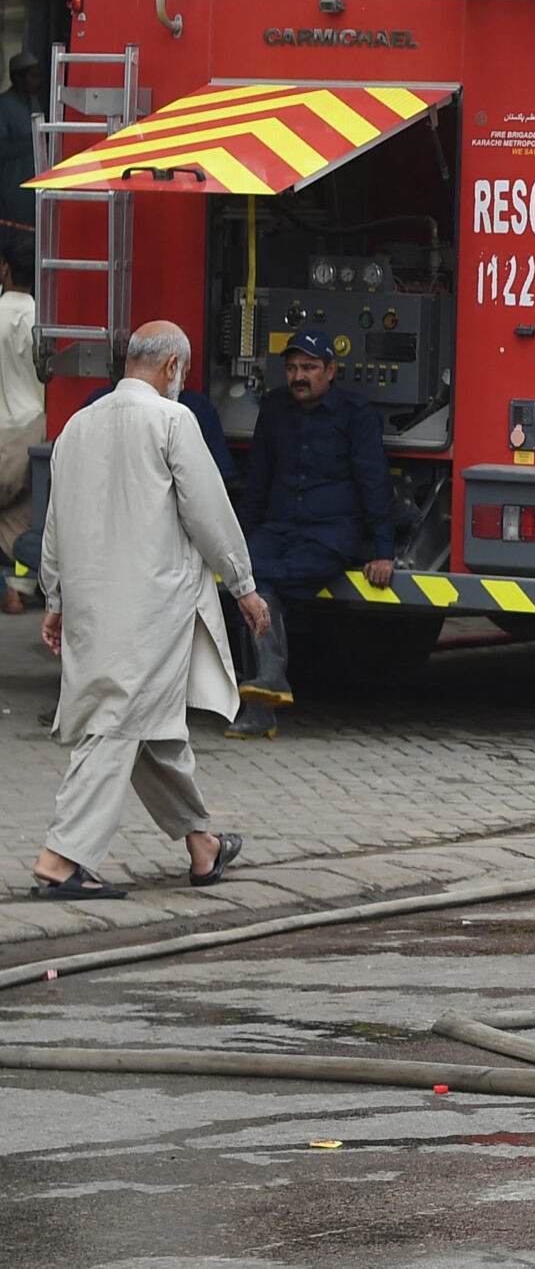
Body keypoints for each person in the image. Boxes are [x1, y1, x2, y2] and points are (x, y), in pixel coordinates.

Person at [29, 321, 267, 898]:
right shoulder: (172, 420)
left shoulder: (76, 427)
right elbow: (208, 512)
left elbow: (54, 525)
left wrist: (55, 599)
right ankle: (60, 860)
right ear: (171, 368)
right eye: (180, 374)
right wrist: (243, 584)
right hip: (151, 606)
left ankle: (202, 846)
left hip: (91, 604)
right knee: (117, 722)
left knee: (152, 728)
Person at [233, 330, 396, 738]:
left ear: (331, 370)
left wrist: (383, 551)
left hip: (330, 534)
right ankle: (267, 688)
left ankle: (262, 701)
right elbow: (257, 482)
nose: (298, 376)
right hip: (278, 528)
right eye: (291, 368)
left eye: (308, 367)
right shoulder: (273, 409)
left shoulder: (356, 414)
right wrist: (241, 541)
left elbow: (374, 481)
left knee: (262, 582)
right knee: (246, 578)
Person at [0, 244, 41, 613]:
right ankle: (17, 589)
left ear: (5, 270)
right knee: (23, 512)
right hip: (30, 427)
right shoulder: (39, 318)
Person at [0, 53, 39, 265]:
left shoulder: (35, 102)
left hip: (35, 186)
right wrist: (33, 139)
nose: (37, 81)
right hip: (12, 188)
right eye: (33, 76)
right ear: (17, 78)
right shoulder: (4, 105)